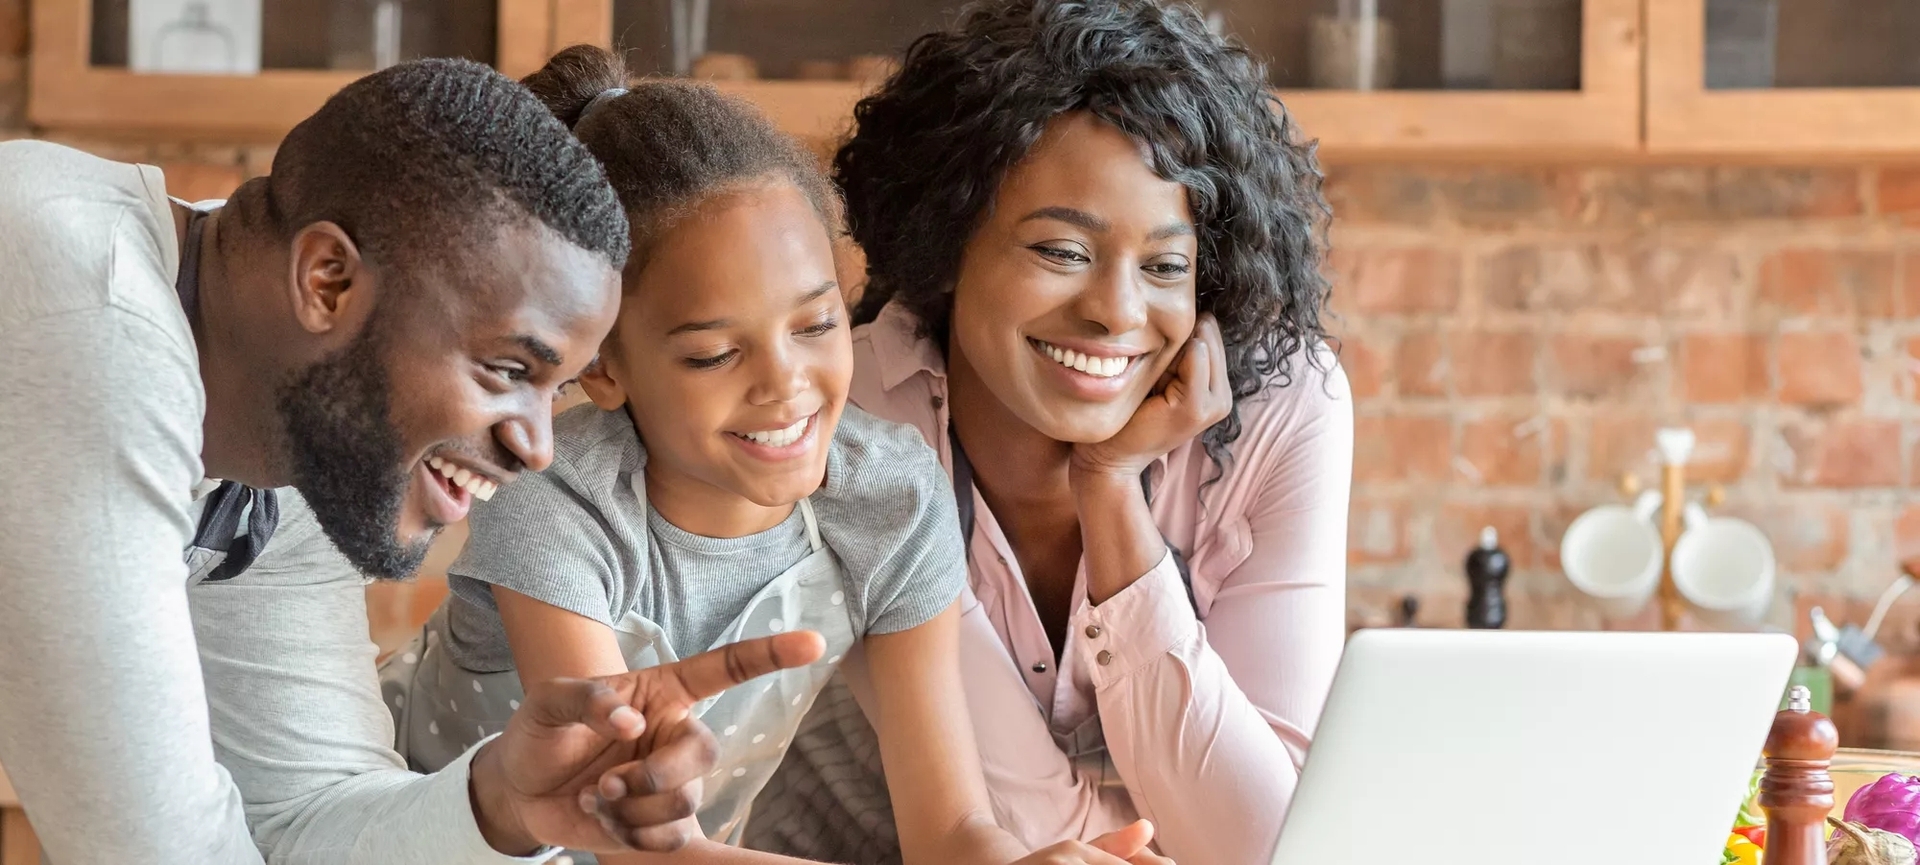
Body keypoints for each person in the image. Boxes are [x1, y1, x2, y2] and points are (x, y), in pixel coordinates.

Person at [0, 58, 820, 865]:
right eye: (509, 370)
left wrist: (498, 803)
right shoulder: (93, 322)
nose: (537, 446)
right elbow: (156, 850)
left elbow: (300, 812)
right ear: (328, 281)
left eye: (558, 388)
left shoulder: (292, 426)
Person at [381, 47, 1169, 865]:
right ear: (604, 365)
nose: (785, 385)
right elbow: (635, 848)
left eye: (815, 325)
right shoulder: (556, 501)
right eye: (716, 353)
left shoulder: (890, 498)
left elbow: (951, 829)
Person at [751, 1, 1353, 862]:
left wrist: (1110, 489)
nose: (1115, 312)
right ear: (947, 240)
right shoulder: (851, 421)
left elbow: (1274, 841)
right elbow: (1019, 828)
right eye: (1061, 251)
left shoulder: (1279, 409)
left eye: (1165, 266)